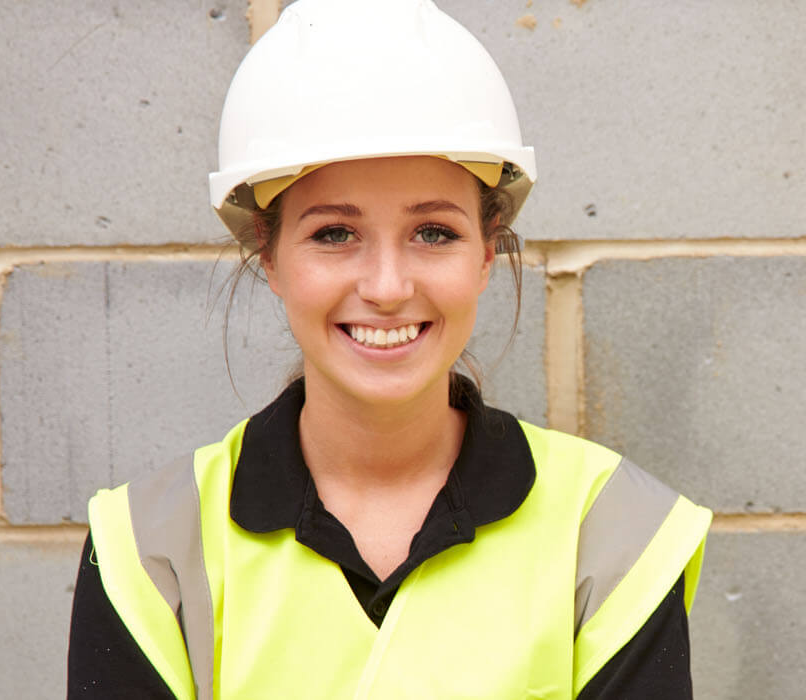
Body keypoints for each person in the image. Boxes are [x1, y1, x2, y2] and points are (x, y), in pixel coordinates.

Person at [65, 1, 712, 698]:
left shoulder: (615, 532)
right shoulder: (150, 549)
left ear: (487, 253)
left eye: (433, 232)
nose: (386, 286)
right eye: (334, 234)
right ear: (270, 255)